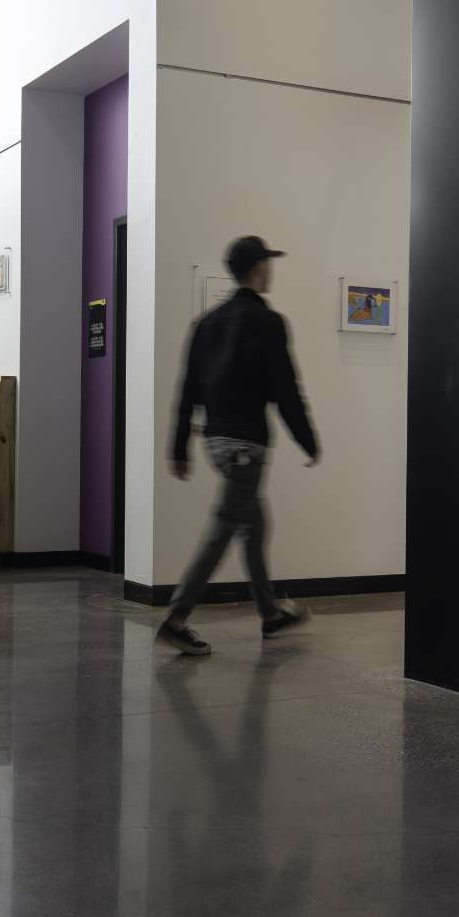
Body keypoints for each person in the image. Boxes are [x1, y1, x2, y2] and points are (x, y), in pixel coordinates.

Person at [157, 235, 319, 655]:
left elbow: (187, 388)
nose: (271, 270)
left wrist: (178, 445)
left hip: (215, 442)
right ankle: (177, 618)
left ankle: (270, 614)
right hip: (246, 446)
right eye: (268, 263)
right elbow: (286, 389)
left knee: (255, 526)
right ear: (258, 269)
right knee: (223, 529)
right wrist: (308, 440)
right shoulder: (269, 322)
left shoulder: (207, 323)